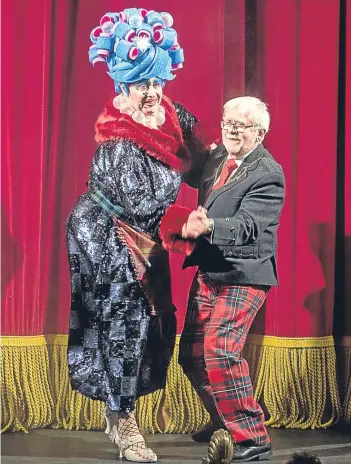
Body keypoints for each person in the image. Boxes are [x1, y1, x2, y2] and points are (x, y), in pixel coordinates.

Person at [66, 7, 212, 463]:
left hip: (145, 237)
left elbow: (196, 147)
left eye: (157, 83)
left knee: (151, 324)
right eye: (140, 84)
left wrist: (229, 148)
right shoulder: (118, 140)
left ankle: (122, 409)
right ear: (121, 86)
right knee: (122, 324)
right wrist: (186, 223)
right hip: (108, 236)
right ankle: (123, 421)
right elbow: (143, 208)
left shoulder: (167, 110)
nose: (151, 94)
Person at [164, 96, 286, 461]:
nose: (232, 129)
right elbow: (186, 165)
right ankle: (223, 420)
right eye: (227, 122)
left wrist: (209, 224)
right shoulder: (218, 157)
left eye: (242, 125)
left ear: (260, 132)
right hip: (210, 270)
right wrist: (162, 116)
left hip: (244, 273)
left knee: (220, 349)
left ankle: (252, 438)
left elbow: (249, 226)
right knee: (192, 355)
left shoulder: (268, 173)